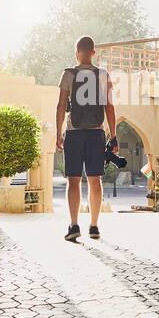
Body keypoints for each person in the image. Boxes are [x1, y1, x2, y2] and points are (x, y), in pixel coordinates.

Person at [55, 35, 117, 241]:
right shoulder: (102, 74)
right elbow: (109, 107)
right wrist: (113, 136)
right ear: (93, 52)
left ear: (76, 52)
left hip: (74, 133)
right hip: (96, 133)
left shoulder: (69, 74)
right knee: (95, 180)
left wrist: (58, 133)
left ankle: (74, 225)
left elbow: (61, 105)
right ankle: (94, 226)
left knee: (73, 180)